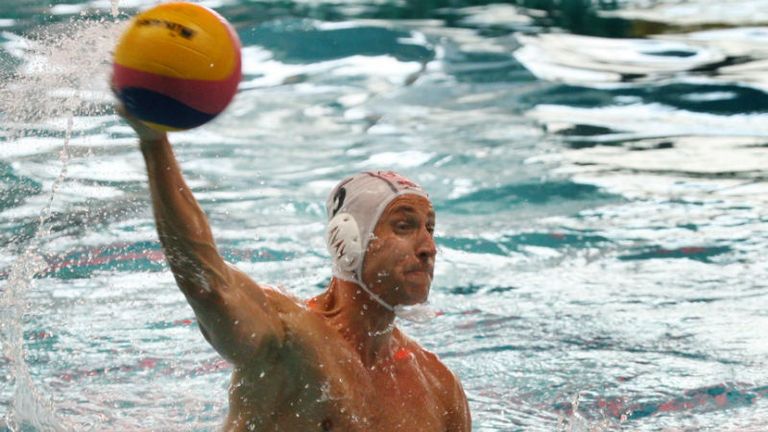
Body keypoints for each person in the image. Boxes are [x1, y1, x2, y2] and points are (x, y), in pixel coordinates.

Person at [119, 107, 471, 431]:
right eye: (404, 226)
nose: (429, 248)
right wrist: (154, 142)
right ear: (348, 240)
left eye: (430, 228)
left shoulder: (440, 390)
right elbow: (207, 283)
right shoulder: (287, 338)